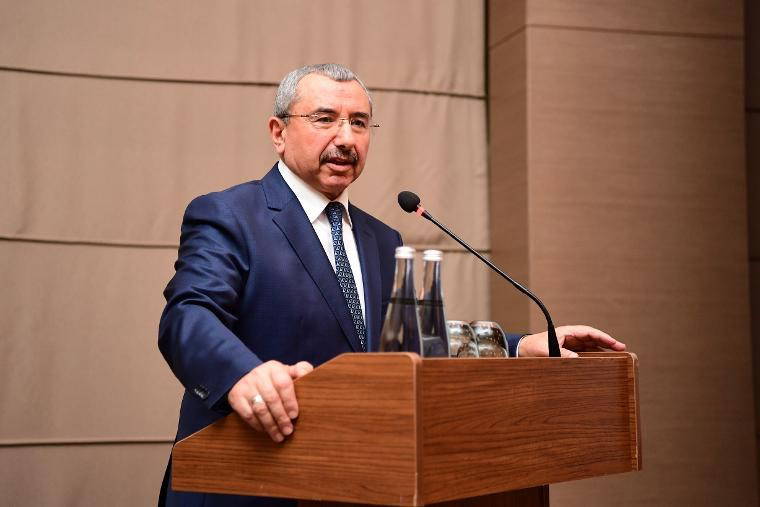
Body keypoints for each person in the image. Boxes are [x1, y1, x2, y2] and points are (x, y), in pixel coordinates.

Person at [157, 63, 625, 507]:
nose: (346, 139)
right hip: (243, 482)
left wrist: (519, 347)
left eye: (359, 123)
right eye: (325, 119)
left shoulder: (382, 239)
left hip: (347, 482)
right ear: (278, 132)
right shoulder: (230, 215)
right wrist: (241, 374)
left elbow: (405, 344)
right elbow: (188, 315)